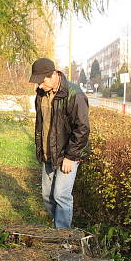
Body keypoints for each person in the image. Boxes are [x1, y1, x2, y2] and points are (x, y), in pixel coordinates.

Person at [29, 58, 90, 229]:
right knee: (47, 196)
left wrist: (71, 156)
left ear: (54, 74)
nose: (39, 86)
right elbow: (42, 124)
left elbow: (82, 129)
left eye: (42, 81)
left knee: (61, 196)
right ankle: (57, 225)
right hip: (48, 153)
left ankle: (62, 237)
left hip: (67, 155)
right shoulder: (40, 95)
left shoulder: (74, 94)